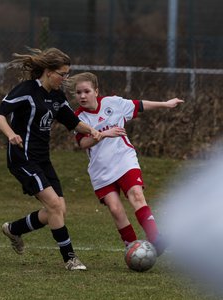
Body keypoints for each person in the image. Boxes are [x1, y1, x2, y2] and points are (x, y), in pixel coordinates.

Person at [0, 49, 104, 271]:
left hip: (42, 159)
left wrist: (92, 130)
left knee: (59, 208)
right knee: (53, 205)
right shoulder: (27, 90)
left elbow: (72, 122)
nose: (65, 79)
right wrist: (10, 134)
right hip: (22, 158)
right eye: (62, 74)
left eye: (66, 74)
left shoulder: (57, 97)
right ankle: (70, 259)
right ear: (48, 71)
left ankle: (14, 229)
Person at [67, 72, 184, 256]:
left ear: (96, 91)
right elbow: (83, 143)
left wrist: (165, 104)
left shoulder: (113, 103)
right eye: (78, 92)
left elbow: (139, 105)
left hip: (124, 160)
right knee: (115, 209)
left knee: (136, 195)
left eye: (86, 91)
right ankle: (132, 247)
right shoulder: (77, 118)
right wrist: (103, 134)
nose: (82, 96)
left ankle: (156, 238)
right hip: (101, 170)